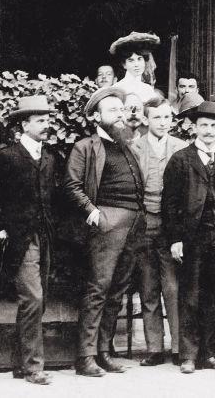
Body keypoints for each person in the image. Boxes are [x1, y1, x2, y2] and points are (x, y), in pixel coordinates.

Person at [0, 95, 60, 386]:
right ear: (24, 124)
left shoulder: (49, 158)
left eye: (48, 120)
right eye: (40, 121)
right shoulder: (8, 156)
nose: (46, 125)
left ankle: (19, 363)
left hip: (44, 238)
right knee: (32, 298)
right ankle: (34, 367)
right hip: (20, 240)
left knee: (36, 303)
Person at [64, 86, 146, 377]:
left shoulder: (126, 146)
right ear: (95, 117)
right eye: (113, 110)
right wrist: (93, 212)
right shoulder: (85, 147)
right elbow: (72, 186)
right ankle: (85, 356)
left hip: (134, 224)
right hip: (106, 223)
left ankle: (104, 351)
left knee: (117, 292)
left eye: (122, 109)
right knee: (98, 289)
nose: (121, 115)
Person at [162, 100, 215, 373]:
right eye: (203, 125)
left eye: (213, 126)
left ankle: (209, 353)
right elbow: (169, 204)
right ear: (194, 128)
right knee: (190, 296)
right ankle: (188, 356)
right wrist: (175, 239)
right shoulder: (181, 159)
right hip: (192, 237)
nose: (208, 130)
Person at [130, 95, 187, 366]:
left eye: (167, 117)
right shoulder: (134, 147)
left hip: (172, 225)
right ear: (145, 120)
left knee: (173, 288)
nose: (163, 122)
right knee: (148, 286)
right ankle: (154, 348)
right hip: (144, 222)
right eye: (157, 117)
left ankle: (177, 347)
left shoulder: (181, 147)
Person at [110, 31, 160, 103]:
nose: (136, 64)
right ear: (124, 65)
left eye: (139, 59)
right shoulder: (117, 88)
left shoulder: (148, 89)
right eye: (131, 60)